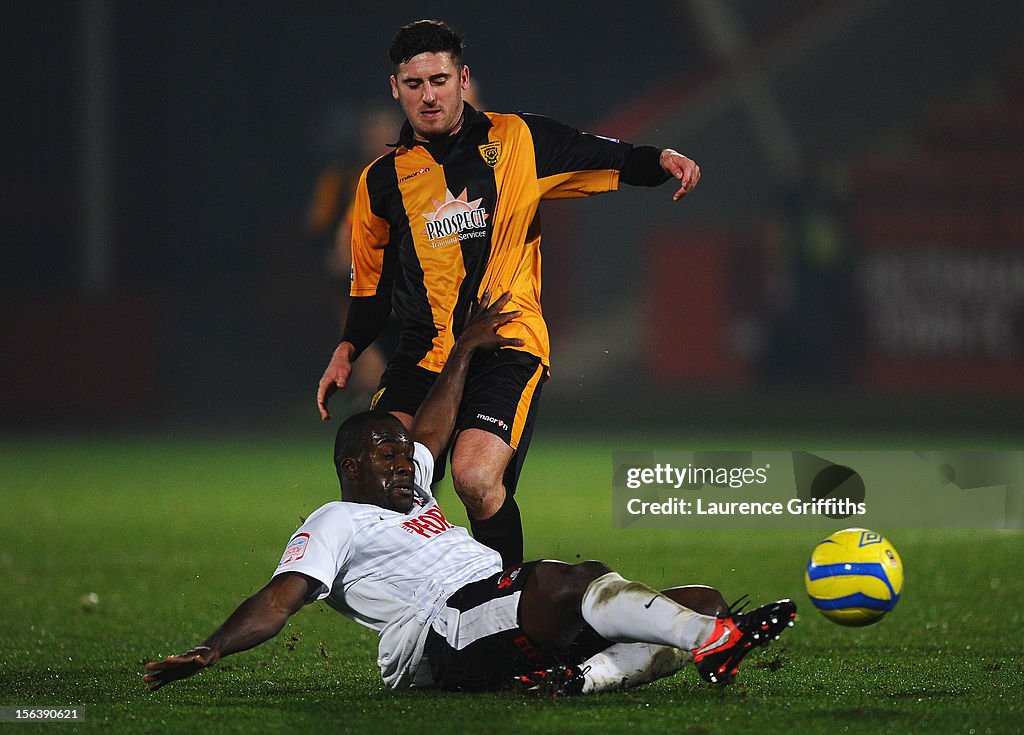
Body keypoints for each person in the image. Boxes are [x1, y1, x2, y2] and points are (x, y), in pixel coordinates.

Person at [145, 292, 796, 695]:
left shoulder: (412, 489)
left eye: (405, 455)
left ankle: (590, 677)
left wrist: (462, 351)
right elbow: (277, 599)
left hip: (491, 606)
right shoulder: (338, 518)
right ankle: (714, 638)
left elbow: (432, 423)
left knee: (694, 595)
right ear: (349, 466)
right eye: (386, 454)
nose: (406, 463)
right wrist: (213, 646)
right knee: (572, 580)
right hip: (438, 629)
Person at [316, 20, 703, 568]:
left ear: (462, 78)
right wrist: (348, 347)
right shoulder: (380, 180)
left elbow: (601, 154)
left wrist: (660, 159)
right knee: (381, 479)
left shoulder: (518, 139)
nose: (429, 95)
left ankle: (509, 607)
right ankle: (420, 607)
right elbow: (371, 283)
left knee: (474, 477)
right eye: (414, 83)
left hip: (505, 344)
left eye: (440, 79)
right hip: (423, 356)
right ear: (395, 88)